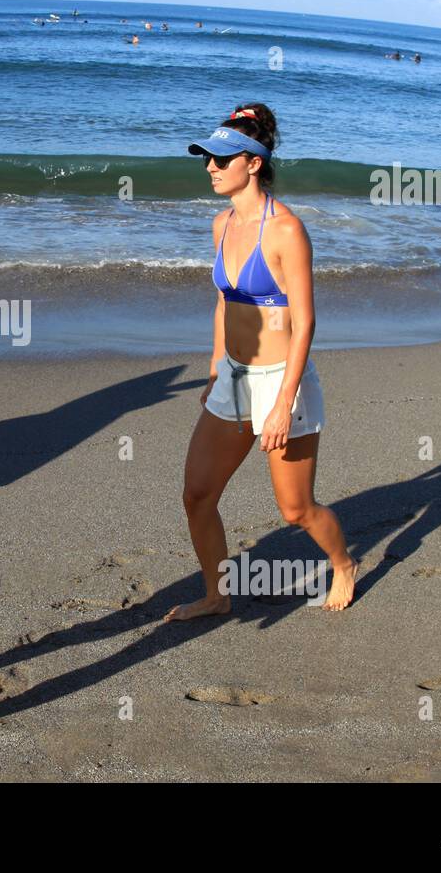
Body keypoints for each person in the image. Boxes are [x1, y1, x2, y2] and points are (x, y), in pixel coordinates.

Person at [169, 104, 357, 620]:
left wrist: (282, 403)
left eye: (222, 159)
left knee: (295, 509)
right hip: (233, 375)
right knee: (197, 494)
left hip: (282, 382)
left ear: (253, 163)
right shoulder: (221, 225)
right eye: (207, 158)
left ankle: (343, 563)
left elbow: (305, 322)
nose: (210, 166)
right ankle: (215, 595)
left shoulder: (286, 231)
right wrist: (214, 366)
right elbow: (224, 301)